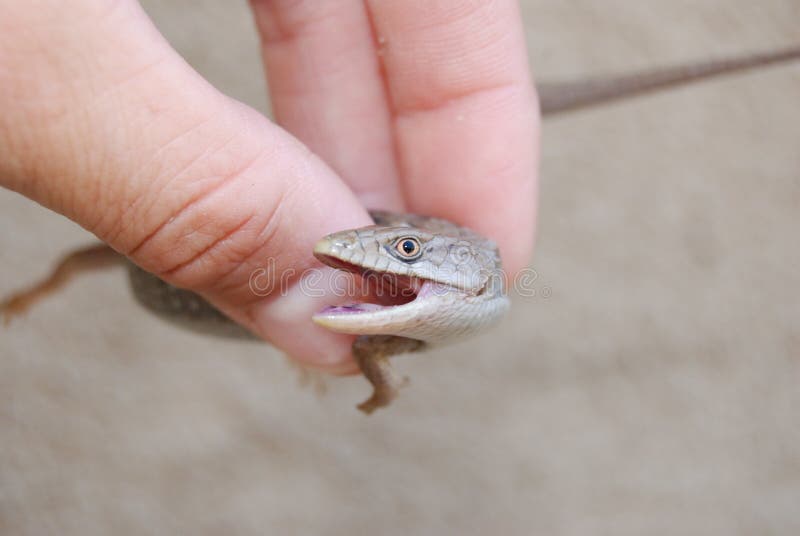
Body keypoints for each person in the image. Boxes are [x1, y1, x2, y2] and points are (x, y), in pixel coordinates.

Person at [0, 0, 539, 372]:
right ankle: (41, 287)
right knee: (89, 257)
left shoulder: (456, 285)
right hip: (154, 269)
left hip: (196, 273)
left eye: (407, 246)